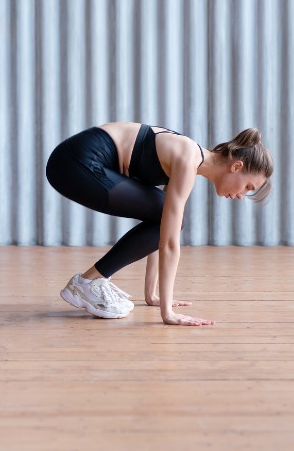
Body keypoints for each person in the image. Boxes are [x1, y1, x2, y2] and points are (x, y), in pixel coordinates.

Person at [45, 123, 273, 326]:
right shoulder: (187, 159)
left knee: (163, 214)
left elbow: (161, 227)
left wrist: (152, 296)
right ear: (236, 167)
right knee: (173, 218)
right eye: (248, 187)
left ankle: (91, 280)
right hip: (75, 163)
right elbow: (170, 243)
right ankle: (88, 282)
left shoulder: (188, 156)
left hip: (73, 161)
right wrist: (168, 313)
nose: (242, 195)